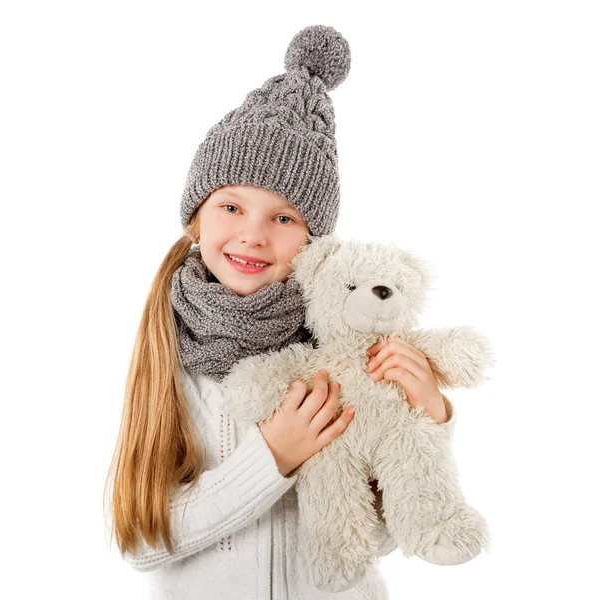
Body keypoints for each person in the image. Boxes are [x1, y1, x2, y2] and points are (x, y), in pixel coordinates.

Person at [104, 25, 456, 600]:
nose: (252, 235)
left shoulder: (344, 348)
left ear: (315, 239)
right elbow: (140, 540)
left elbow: (382, 538)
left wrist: (426, 420)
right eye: (232, 204)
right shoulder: (165, 350)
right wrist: (273, 456)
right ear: (196, 216)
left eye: (284, 217)